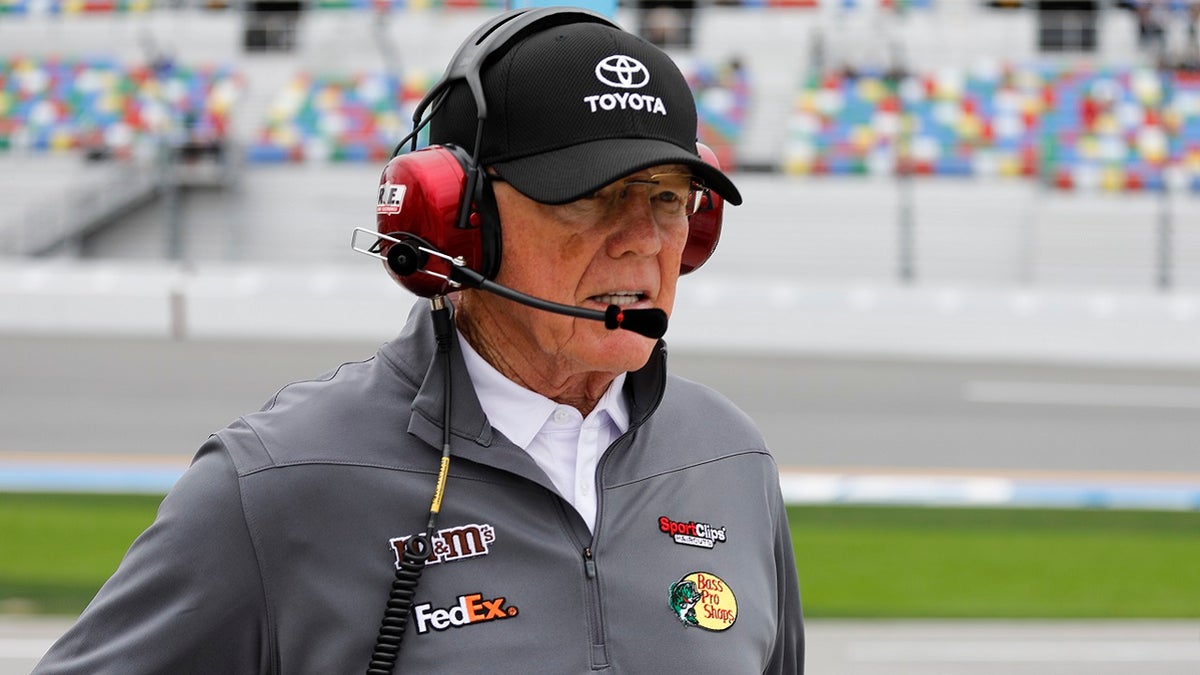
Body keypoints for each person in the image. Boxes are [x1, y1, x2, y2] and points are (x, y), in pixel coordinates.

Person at [33, 7, 804, 674]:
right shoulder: (277, 483)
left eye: (668, 198)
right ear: (454, 223)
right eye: (590, 197)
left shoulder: (730, 459)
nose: (642, 239)